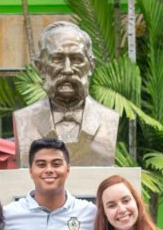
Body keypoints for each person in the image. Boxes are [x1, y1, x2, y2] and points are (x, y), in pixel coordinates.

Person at [12, 21, 120, 167]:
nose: (67, 69)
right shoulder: (24, 120)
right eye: (57, 59)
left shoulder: (108, 119)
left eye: (76, 59)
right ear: (40, 67)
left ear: (90, 66)